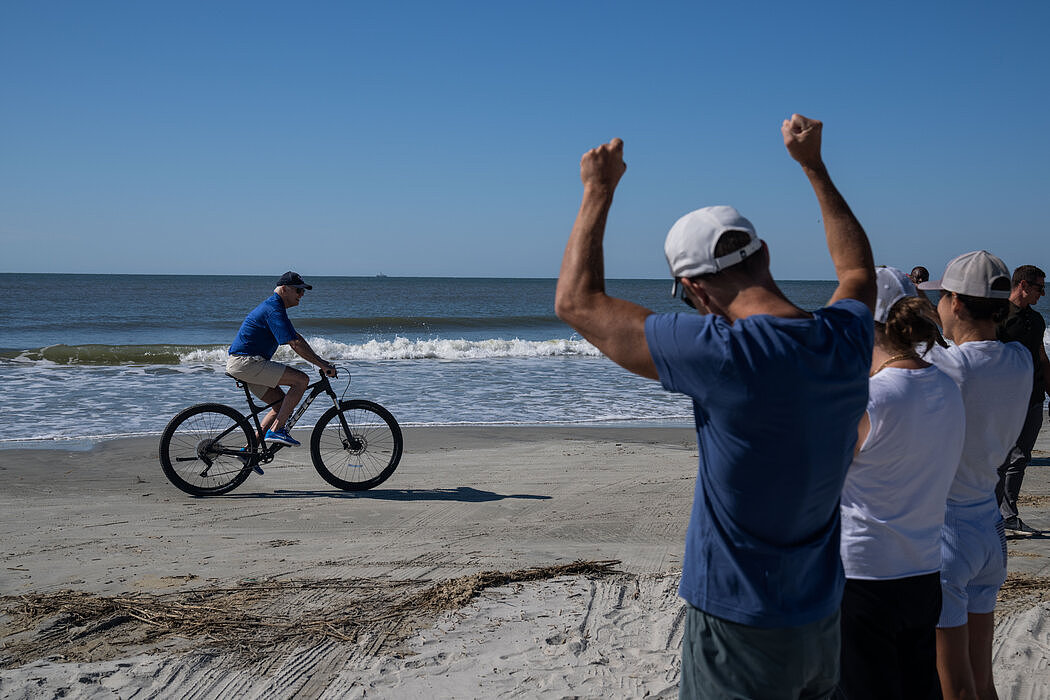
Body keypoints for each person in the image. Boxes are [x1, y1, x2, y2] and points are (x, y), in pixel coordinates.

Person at [555, 114, 875, 698]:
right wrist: (815, 168)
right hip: (821, 613)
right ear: (766, 255)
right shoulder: (847, 338)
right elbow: (855, 271)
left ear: (696, 291)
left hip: (739, 620)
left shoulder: (721, 354)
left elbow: (577, 303)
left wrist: (597, 190)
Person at [837, 266, 964, 699]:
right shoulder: (946, 386)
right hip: (923, 569)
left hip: (864, 573)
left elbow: (817, 484)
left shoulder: (870, 397)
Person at [917, 252, 1032, 700]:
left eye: (942, 298)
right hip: (988, 522)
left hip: (948, 531)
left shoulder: (949, 367)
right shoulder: (1020, 359)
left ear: (957, 303)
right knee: (982, 681)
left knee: (954, 686)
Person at [226, 271, 338, 449]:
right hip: (247, 363)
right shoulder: (273, 309)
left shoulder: (275, 308)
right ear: (284, 289)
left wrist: (321, 362)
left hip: (244, 365)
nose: (302, 295)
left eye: (304, 291)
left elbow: (297, 338)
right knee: (301, 380)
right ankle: (276, 430)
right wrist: (323, 366)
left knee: (281, 406)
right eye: (298, 290)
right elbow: (294, 343)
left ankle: (249, 451)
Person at [995, 264, 1050, 535]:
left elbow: (1042, 357)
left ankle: (1008, 515)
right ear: (1023, 286)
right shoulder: (998, 317)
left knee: (1020, 458)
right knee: (999, 460)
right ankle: (991, 515)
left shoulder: (1037, 320)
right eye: (1040, 287)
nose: (1043, 293)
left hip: (1034, 399)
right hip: (1004, 401)